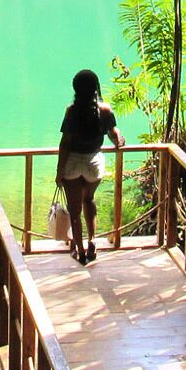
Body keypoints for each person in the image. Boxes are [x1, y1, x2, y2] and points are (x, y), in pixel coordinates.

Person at [56, 69, 124, 264]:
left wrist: (59, 171)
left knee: (75, 209)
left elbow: (65, 143)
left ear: (75, 88)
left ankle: (80, 251)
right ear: (96, 88)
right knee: (89, 200)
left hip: (73, 163)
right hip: (94, 162)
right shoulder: (105, 110)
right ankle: (93, 240)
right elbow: (113, 133)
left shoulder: (72, 110)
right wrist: (118, 139)